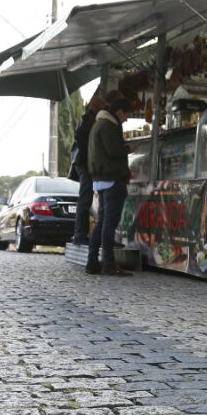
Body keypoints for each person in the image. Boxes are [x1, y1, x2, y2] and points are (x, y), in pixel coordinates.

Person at [86, 91, 133, 277]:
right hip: (112, 179)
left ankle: (92, 262)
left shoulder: (98, 124)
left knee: (101, 223)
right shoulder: (109, 126)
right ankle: (108, 263)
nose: (127, 119)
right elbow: (113, 151)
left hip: (100, 179)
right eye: (127, 114)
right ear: (120, 111)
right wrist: (128, 148)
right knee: (108, 224)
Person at [69, 94, 103, 245]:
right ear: (95, 107)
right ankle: (80, 235)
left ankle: (80, 234)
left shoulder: (86, 120)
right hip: (84, 163)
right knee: (85, 199)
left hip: (82, 162)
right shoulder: (89, 121)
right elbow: (85, 144)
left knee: (85, 199)